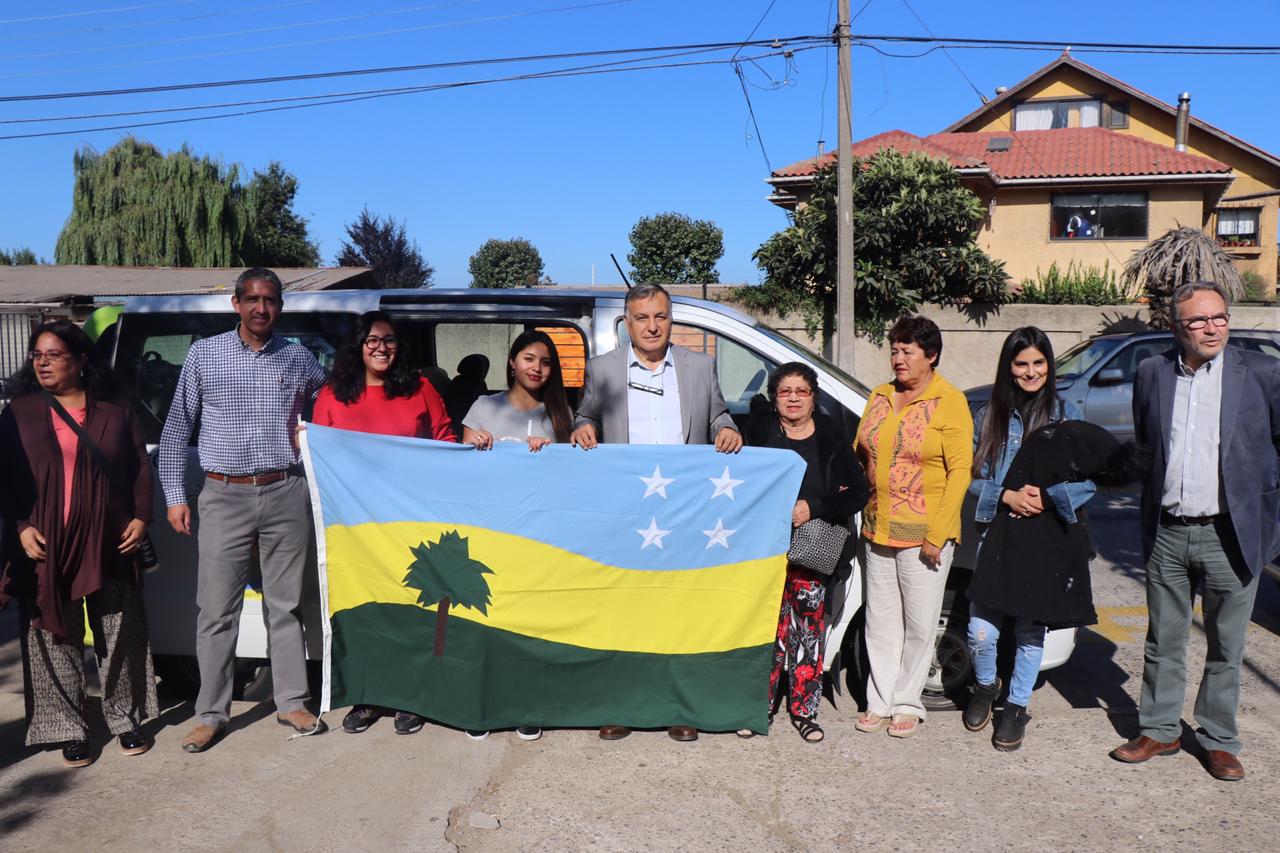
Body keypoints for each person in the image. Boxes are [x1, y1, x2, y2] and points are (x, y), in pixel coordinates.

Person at [1111, 281, 1280, 782]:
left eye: (1219, 318)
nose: (1212, 328)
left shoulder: (1264, 374)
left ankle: (1219, 739)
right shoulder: (1151, 373)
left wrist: (1269, 522)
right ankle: (1160, 729)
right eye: (1199, 321)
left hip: (1233, 533)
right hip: (1169, 530)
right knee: (1163, 639)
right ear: (1175, 327)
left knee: (1227, 645)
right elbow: (1148, 443)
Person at [159, 267, 329, 753]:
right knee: (215, 610)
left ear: (280, 306)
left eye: (270, 300)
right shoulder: (203, 355)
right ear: (236, 303)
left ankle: (292, 701)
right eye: (252, 299)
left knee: (287, 605)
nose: (261, 308)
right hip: (223, 495)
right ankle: (210, 713)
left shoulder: (298, 359)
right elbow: (174, 437)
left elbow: (330, 405)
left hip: (285, 491)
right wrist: (175, 496)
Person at [571, 282, 743, 742]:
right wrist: (584, 427)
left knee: (678, 612)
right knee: (624, 610)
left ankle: (678, 707)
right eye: (642, 317)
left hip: (683, 514)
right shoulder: (602, 369)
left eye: (660, 316)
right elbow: (585, 415)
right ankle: (622, 705)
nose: (652, 326)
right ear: (627, 323)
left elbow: (719, 416)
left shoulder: (700, 367)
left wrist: (727, 429)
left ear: (672, 320)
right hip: (626, 515)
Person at [0, 321, 157, 766]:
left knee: (119, 630)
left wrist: (142, 518)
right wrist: (20, 528)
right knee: (54, 636)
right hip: (44, 545)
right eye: (37, 355)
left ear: (81, 359)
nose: (43, 362)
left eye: (54, 354)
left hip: (111, 541)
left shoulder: (115, 410)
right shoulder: (19, 413)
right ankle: (70, 729)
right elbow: (5, 480)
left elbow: (139, 469)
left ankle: (126, 718)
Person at [311, 310, 455, 737]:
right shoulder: (334, 394)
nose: (381, 348)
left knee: (412, 606)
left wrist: (472, 444)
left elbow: (444, 437)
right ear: (358, 346)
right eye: (372, 340)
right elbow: (320, 453)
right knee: (368, 607)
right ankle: (369, 695)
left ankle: (411, 697)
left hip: (412, 519)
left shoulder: (421, 388)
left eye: (389, 340)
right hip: (356, 526)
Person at [964, 327, 1096, 751]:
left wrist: (1050, 495)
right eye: (1021, 364)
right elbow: (968, 477)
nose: (1030, 371)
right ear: (1009, 367)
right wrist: (1004, 494)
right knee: (981, 632)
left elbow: (1093, 478)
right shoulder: (987, 417)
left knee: (1029, 630)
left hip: (1046, 538)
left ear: (1049, 366)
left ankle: (1016, 705)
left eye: (1038, 363)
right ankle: (986, 686)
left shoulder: (1067, 413)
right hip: (997, 534)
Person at [853, 315, 972, 739]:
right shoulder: (880, 395)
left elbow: (961, 471)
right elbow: (861, 447)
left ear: (931, 356)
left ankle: (907, 702)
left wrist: (938, 533)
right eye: (894, 350)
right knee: (880, 621)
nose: (898, 359)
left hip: (924, 535)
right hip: (877, 527)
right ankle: (878, 700)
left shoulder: (949, 401)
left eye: (908, 351)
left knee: (920, 624)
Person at [743, 362, 868, 743]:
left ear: (813, 398)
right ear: (775, 398)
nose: (793, 398)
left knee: (808, 632)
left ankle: (804, 711)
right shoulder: (759, 433)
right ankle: (756, 707)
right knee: (763, 629)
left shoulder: (831, 434)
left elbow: (859, 492)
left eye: (802, 391)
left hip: (813, 549)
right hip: (764, 551)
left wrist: (812, 507)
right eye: (785, 391)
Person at [460, 329, 575, 742]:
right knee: (485, 624)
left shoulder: (560, 414)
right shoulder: (482, 407)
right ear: (512, 361)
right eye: (529, 359)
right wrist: (474, 445)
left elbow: (573, 479)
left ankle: (528, 703)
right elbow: (460, 465)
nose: (537, 368)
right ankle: (481, 705)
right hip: (489, 532)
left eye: (545, 362)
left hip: (537, 538)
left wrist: (554, 453)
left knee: (529, 624)